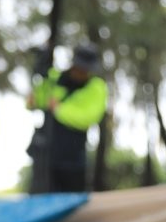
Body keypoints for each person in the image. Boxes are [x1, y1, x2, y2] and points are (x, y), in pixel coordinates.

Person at [26, 43, 108, 194]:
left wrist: (58, 109)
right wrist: (39, 76)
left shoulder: (97, 87)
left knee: (73, 198)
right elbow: (35, 102)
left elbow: (88, 118)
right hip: (47, 154)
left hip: (73, 156)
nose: (82, 72)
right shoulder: (56, 78)